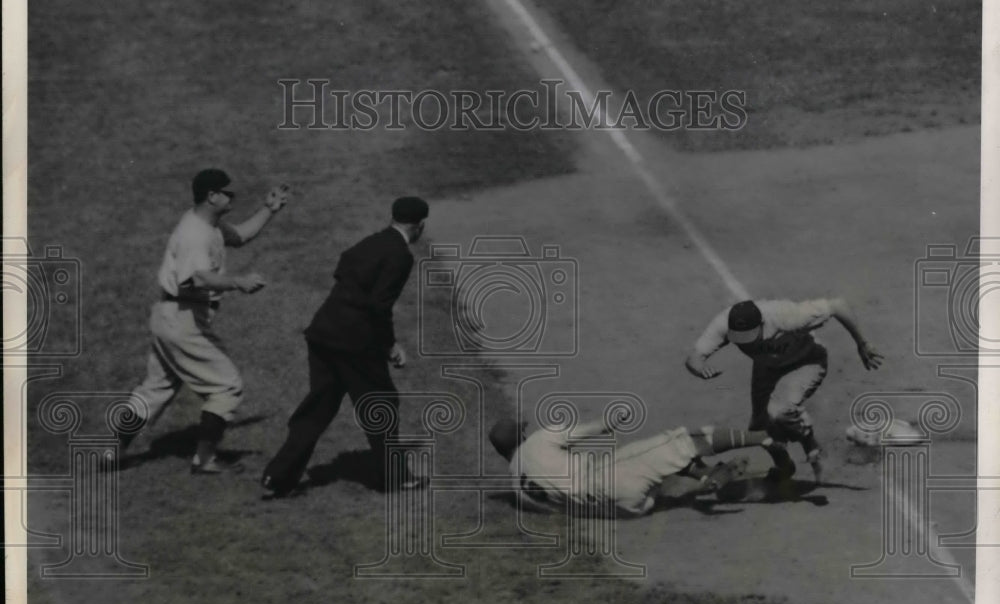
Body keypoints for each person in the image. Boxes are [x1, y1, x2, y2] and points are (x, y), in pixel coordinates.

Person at [117, 169, 290, 473]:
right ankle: (205, 459)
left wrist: (268, 209)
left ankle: (109, 450)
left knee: (155, 389)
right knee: (227, 386)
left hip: (169, 316)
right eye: (228, 192)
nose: (233, 196)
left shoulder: (206, 223)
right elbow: (196, 278)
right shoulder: (194, 235)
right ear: (212, 196)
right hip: (183, 321)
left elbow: (240, 236)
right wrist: (238, 281)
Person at [261, 196, 430, 496]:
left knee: (317, 408)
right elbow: (380, 306)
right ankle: (394, 477)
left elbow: (342, 268)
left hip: (323, 332)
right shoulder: (401, 255)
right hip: (355, 344)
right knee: (382, 406)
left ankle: (278, 476)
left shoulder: (370, 241)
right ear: (419, 226)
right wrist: (390, 346)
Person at [685, 298, 883, 482]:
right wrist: (700, 369)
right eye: (740, 338)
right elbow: (694, 358)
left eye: (750, 336)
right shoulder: (724, 323)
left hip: (806, 361)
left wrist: (862, 343)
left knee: (779, 411)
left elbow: (837, 305)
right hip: (768, 367)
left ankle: (812, 446)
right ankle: (784, 466)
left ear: (762, 324)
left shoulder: (787, 316)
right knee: (760, 429)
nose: (746, 342)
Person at [488, 417, 770, 517]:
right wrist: (611, 420)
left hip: (622, 509)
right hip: (611, 479)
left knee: (649, 459)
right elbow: (595, 428)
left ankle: (707, 476)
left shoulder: (518, 490)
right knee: (680, 442)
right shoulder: (537, 440)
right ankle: (764, 437)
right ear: (521, 436)